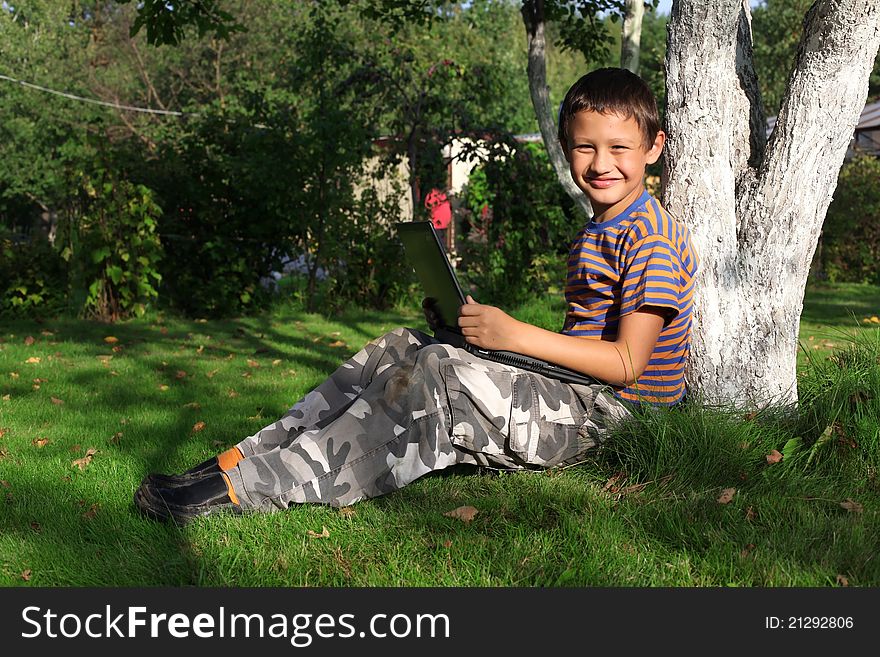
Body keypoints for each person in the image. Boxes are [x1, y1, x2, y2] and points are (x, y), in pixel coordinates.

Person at [134, 67, 698, 524]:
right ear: (566, 148)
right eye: (584, 148)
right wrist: (469, 331)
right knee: (400, 347)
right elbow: (584, 344)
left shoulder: (648, 235)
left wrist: (512, 336)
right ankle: (236, 462)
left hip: (617, 416)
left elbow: (627, 365)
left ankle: (246, 490)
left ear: (653, 148)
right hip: (578, 391)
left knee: (436, 378)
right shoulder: (602, 226)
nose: (601, 164)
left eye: (619, 148)